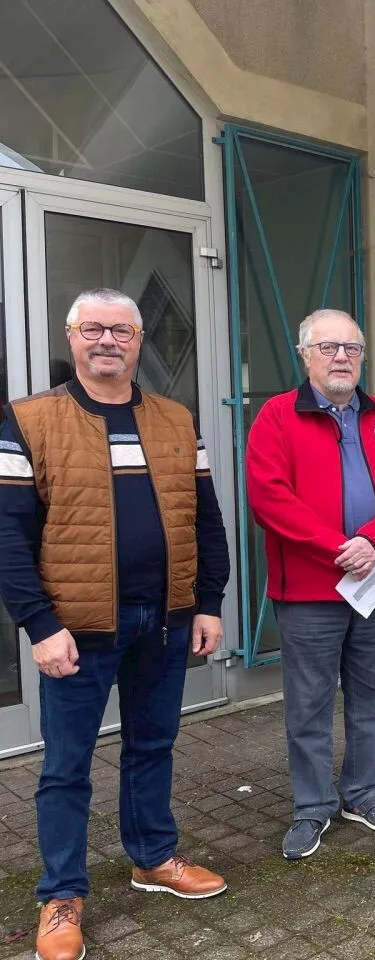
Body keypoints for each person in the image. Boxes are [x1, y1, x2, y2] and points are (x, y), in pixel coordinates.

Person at [0, 288, 230, 960]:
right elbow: (9, 535)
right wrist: (39, 625)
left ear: (137, 342)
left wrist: (208, 602)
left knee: (152, 747)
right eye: (92, 328)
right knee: (66, 767)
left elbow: (206, 519)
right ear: (72, 337)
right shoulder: (28, 420)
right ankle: (61, 894)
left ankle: (153, 857)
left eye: (121, 330)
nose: (107, 340)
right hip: (76, 627)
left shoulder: (176, 419)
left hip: (164, 620)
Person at [246, 309, 375, 861]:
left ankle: (364, 792)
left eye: (351, 348)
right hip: (308, 590)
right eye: (328, 348)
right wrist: (337, 548)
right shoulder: (277, 417)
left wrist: (372, 542)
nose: (342, 357)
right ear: (304, 356)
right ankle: (311, 806)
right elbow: (268, 498)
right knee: (309, 703)